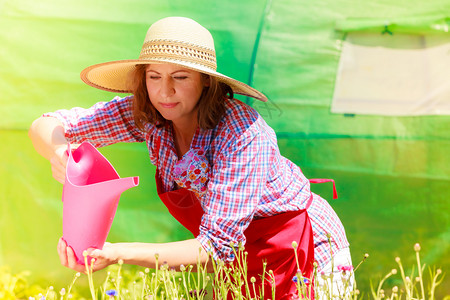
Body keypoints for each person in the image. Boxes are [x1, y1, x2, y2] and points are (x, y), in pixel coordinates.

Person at [29, 16, 352, 299]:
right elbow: (47, 125)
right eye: (154, 76)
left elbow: (216, 248)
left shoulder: (242, 134)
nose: (164, 91)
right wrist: (58, 151)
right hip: (241, 258)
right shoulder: (147, 113)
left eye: (180, 77)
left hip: (302, 248)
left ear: (206, 82)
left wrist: (116, 253)